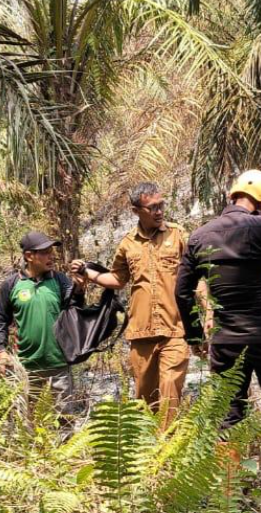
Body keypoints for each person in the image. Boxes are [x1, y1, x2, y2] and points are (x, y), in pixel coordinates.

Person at [175, 169, 261, 481]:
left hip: (225, 342)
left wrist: (195, 334)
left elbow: (182, 292)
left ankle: (229, 497)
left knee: (229, 416)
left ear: (232, 197)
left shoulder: (198, 237)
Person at [70, 182, 192, 428]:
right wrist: (87, 272)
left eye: (161, 205)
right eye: (152, 207)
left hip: (175, 331)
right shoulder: (127, 244)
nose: (159, 211)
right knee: (146, 400)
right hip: (141, 332)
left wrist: (207, 314)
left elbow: (195, 275)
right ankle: (148, 452)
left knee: (169, 392)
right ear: (136, 210)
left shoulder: (178, 235)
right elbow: (117, 279)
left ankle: (165, 453)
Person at [0, 231, 84, 411]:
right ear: (29, 256)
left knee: (66, 420)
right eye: (45, 252)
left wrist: (79, 288)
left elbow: (74, 310)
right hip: (27, 366)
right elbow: (0, 318)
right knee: (29, 420)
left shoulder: (60, 281)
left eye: (51, 251)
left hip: (59, 363)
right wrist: (0, 351)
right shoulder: (11, 285)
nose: (51, 256)